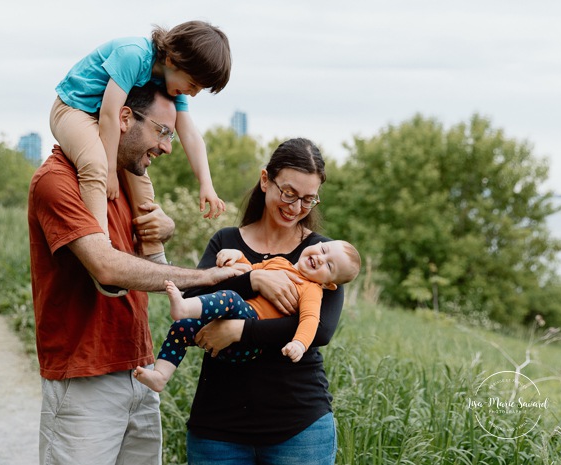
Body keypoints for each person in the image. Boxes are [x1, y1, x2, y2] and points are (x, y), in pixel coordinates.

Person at [28, 82, 241, 465]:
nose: (167, 147)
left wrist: (166, 229)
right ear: (124, 118)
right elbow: (107, 266)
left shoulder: (126, 179)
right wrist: (202, 277)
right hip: (83, 380)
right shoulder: (57, 181)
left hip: (139, 372)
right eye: (162, 132)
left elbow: (140, 262)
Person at [175, 138, 346, 465]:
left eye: (308, 199)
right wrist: (253, 278)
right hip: (218, 428)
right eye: (289, 193)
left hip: (299, 429)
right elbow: (191, 300)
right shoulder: (226, 241)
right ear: (265, 180)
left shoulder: (322, 255)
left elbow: (320, 331)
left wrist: (239, 330)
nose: (296, 208)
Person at [50, 20, 231, 266]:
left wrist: (206, 184)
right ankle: (103, 253)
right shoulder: (134, 55)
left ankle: (152, 253)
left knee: (141, 179)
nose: (193, 93)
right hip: (73, 109)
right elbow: (109, 114)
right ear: (172, 61)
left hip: (104, 119)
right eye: (193, 85)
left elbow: (189, 132)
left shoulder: (168, 81)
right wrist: (110, 170)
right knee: (95, 164)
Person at [134, 240, 360, 392]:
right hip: (229, 331)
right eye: (323, 251)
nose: (321, 258)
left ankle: (183, 307)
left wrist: (299, 344)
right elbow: (250, 269)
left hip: (249, 340)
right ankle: (161, 376)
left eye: (329, 265)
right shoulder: (280, 262)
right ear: (317, 244)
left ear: (328, 284)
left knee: (231, 298)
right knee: (182, 328)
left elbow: (311, 321)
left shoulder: (311, 289)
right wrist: (237, 256)